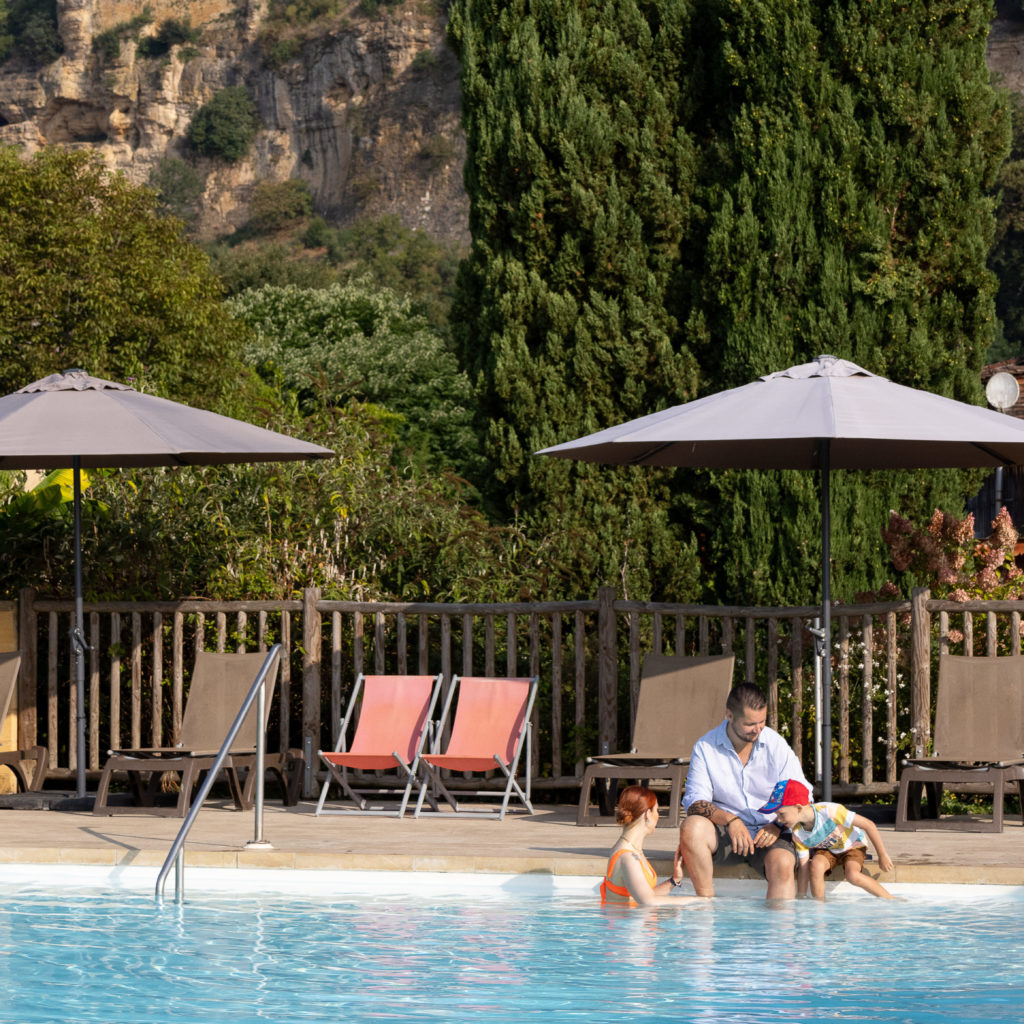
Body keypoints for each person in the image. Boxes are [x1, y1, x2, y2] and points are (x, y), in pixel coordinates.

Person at [677, 682, 812, 899]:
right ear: (729, 715)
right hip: (725, 831)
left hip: (772, 830)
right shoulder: (705, 747)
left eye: (762, 722)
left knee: (783, 864)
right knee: (691, 827)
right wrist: (731, 820)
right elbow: (694, 803)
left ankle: (780, 922)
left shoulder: (776, 744)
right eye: (750, 724)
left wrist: (778, 825)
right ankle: (705, 907)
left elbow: (803, 795)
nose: (758, 729)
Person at [758, 778, 895, 900]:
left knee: (852, 875)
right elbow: (804, 867)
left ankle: (890, 899)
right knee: (815, 865)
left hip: (853, 845)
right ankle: (820, 907)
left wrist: (882, 855)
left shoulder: (831, 811)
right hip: (828, 849)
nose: (778, 820)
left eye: (781, 814)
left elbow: (869, 825)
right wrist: (801, 896)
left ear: (798, 808)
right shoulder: (798, 833)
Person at [601, 785, 694, 906]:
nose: (658, 816)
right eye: (656, 810)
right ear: (647, 814)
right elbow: (649, 901)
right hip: (627, 918)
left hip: (630, 917)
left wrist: (674, 880)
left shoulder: (632, 850)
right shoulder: (628, 857)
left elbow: (645, 895)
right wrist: (698, 901)